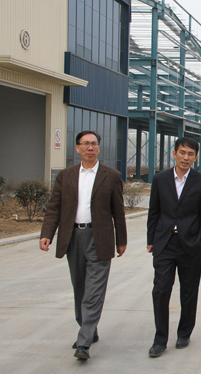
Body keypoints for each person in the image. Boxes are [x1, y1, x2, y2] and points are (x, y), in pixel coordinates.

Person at [39, 130, 127, 361]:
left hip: (100, 238)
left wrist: (121, 240)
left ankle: (84, 341)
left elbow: (118, 211)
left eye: (94, 144)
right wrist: (47, 233)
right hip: (73, 237)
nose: (90, 147)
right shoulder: (66, 176)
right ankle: (89, 328)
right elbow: (54, 207)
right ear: (77, 148)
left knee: (94, 291)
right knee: (80, 288)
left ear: (99, 148)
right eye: (86, 144)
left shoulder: (111, 176)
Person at [146, 137, 201, 358]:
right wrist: (151, 239)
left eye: (190, 154)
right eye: (182, 152)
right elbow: (154, 211)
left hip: (191, 244)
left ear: (196, 157)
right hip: (165, 242)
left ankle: (184, 333)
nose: (186, 157)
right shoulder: (160, 179)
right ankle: (160, 339)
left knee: (189, 290)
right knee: (161, 290)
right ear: (174, 153)